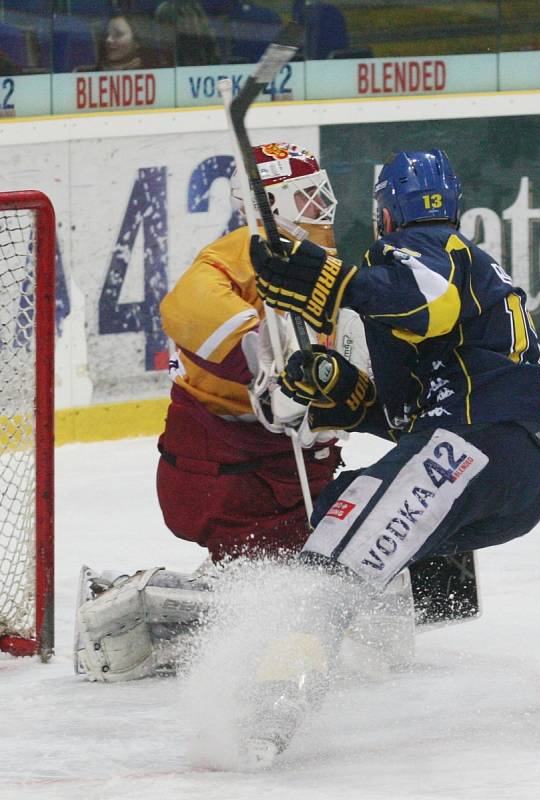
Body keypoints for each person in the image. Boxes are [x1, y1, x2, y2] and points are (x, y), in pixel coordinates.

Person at [245, 149, 540, 759]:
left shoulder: (424, 251)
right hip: (518, 481)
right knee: (351, 513)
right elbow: (409, 415)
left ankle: (275, 703)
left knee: (345, 529)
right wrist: (347, 397)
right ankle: (384, 621)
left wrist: (333, 282)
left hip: (478, 443)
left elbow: (428, 303)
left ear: (386, 214)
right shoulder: (466, 270)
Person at [74, 143, 360, 682]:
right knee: (268, 590)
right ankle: (121, 610)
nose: (321, 204)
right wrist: (262, 364)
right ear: (270, 202)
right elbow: (189, 306)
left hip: (279, 471)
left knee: (303, 566)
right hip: (226, 472)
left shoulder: (321, 268)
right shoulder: (237, 252)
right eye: (306, 193)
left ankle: (156, 600)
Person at [155, 0, 220, 66]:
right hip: (178, 50)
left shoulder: (194, 5)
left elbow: (206, 28)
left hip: (197, 48)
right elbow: (162, 37)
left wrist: (213, 53)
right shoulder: (164, 8)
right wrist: (163, 58)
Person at [93, 11, 164, 71]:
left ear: (137, 41)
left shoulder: (156, 72)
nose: (108, 40)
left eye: (118, 34)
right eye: (107, 34)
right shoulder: (94, 73)